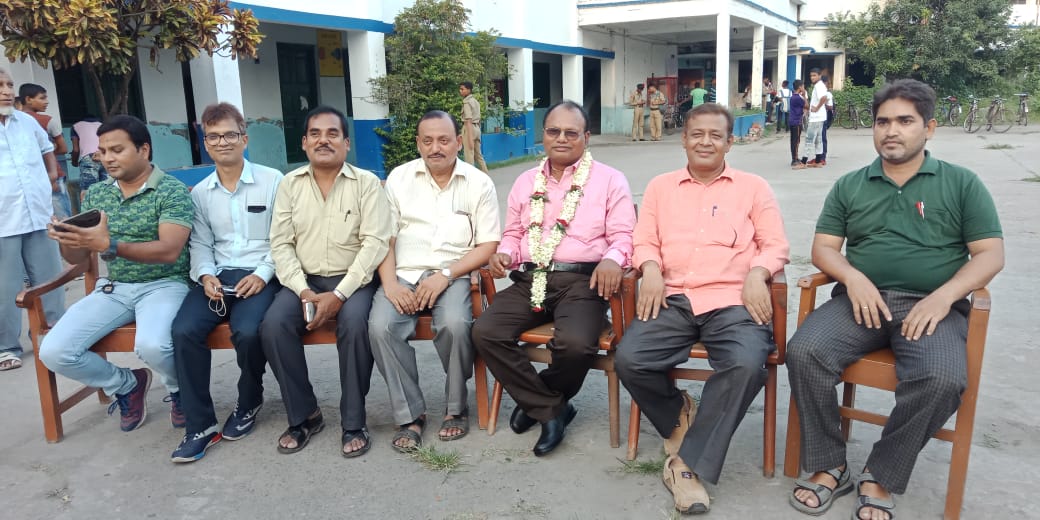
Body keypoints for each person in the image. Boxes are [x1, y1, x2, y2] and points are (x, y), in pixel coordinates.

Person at [787, 79, 1004, 520]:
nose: (891, 131)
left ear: (930, 128)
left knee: (942, 378)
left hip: (931, 307)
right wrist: (852, 277)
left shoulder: (961, 183)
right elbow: (824, 248)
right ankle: (831, 464)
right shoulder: (851, 185)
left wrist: (945, 297)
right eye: (883, 121)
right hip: (861, 302)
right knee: (804, 351)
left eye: (905, 121)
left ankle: (882, 472)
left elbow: (990, 254)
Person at [615, 103, 790, 514]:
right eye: (697, 134)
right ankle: (679, 412)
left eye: (715, 135)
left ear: (730, 142)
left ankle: (686, 465)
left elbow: (775, 243)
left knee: (746, 363)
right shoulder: (660, 187)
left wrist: (758, 272)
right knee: (630, 358)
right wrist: (650, 268)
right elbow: (644, 240)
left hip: (732, 300)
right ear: (684, 139)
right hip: (673, 296)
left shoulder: (754, 188)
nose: (705, 142)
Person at [472, 100, 636, 457]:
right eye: (553, 131)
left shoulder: (609, 180)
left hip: (583, 282)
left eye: (571, 133)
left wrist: (612, 260)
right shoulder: (525, 181)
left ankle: (539, 401)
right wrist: (505, 253)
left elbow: (624, 236)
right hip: (531, 278)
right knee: (485, 332)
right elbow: (514, 233)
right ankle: (552, 409)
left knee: (575, 344)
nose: (561, 138)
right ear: (543, 135)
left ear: (586, 138)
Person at [40, 115, 193, 432]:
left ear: (144, 149)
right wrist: (67, 239)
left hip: (165, 284)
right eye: (103, 151)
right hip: (115, 289)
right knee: (54, 351)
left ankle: (181, 391)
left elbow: (169, 250)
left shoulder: (172, 191)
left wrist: (109, 245)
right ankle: (126, 384)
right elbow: (79, 257)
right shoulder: (97, 194)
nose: (107, 158)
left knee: (153, 346)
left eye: (117, 150)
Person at [261, 105, 391, 457]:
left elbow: (375, 244)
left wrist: (340, 294)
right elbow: (281, 243)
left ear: (346, 143)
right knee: (273, 325)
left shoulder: (366, 184)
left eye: (333, 134)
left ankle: (354, 421)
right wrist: (302, 289)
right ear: (304, 143)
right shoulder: (290, 185)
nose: (324, 140)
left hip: (355, 282)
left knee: (356, 325)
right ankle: (305, 414)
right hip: (303, 282)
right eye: (315, 134)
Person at [370, 110, 500, 452]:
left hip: (453, 272)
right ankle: (410, 414)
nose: (435, 148)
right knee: (381, 326)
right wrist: (390, 285)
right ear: (418, 143)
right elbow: (385, 238)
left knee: (455, 324)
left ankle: (456, 407)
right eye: (427, 141)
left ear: (458, 142)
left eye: (443, 140)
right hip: (404, 272)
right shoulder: (399, 178)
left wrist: (445, 275)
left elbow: (488, 244)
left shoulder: (478, 183)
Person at [169, 103, 284, 463]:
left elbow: (284, 238)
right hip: (218, 276)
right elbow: (201, 243)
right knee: (184, 330)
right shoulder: (201, 193)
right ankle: (199, 425)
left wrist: (262, 274)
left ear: (244, 138)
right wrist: (205, 275)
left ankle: (249, 400)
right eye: (214, 136)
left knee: (248, 332)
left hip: (262, 275)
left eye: (230, 134)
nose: (222, 142)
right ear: (205, 143)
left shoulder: (273, 181)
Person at [0, 68, 64, 372]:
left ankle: (52, 333)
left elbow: (47, 149)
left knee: (50, 278)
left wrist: (50, 176)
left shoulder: (27, 122)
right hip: (3, 220)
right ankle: (6, 346)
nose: (6, 91)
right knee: (6, 287)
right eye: (0, 86)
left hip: (38, 213)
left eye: (9, 84)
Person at [19, 83, 71, 219]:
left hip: (28, 179)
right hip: (53, 176)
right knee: (64, 220)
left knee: (41, 220)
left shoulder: (11, 123)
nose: (46, 102)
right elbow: (64, 148)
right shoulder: (47, 121)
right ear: (28, 99)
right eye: (42, 98)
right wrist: (49, 151)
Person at [71, 115, 106, 199]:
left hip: (89, 159)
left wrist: (74, 162)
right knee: (107, 189)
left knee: (88, 192)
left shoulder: (76, 126)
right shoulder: (103, 125)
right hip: (104, 156)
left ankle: (90, 207)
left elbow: (76, 150)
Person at [799, 69, 829, 168]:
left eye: (814, 75)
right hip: (820, 117)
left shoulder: (818, 86)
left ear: (820, 76)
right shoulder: (820, 85)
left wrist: (816, 108)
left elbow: (824, 98)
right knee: (818, 140)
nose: (812, 77)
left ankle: (803, 162)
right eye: (811, 75)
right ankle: (818, 161)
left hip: (816, 118)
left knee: (809, 139)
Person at [458, 81, 489, 173]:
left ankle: (470, 178)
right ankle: (486, 175)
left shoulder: (467, 102)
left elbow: (468, 120)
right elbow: (478, 119)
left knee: (469, 156)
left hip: (469, 129)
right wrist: (477, 132)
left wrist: (470, 138)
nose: (460, 91)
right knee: (478, 155)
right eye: (460, 89)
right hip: (476, 128)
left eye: (462, 89)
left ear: (469, 90)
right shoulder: (475, 101)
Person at [789, 80, 808, 169]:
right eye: (803, 86)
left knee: (794, 140)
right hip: (796, 121)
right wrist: (804, 96)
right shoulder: (797, 98)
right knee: (796, 141)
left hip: (794, 121)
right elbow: (807, 106)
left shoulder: (793, 97)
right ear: (800, 87)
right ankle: (794, 159)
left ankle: (795, 157)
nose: (804, 88)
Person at [821, 74, 834, 164]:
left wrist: (822, 104)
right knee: (817, 139)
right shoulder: (818, 92)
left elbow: (830, 107)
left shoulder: (828, 94)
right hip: (817, 118)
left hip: (824, 118)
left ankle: (823, 157)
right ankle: (818, 157)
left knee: (822, 137)